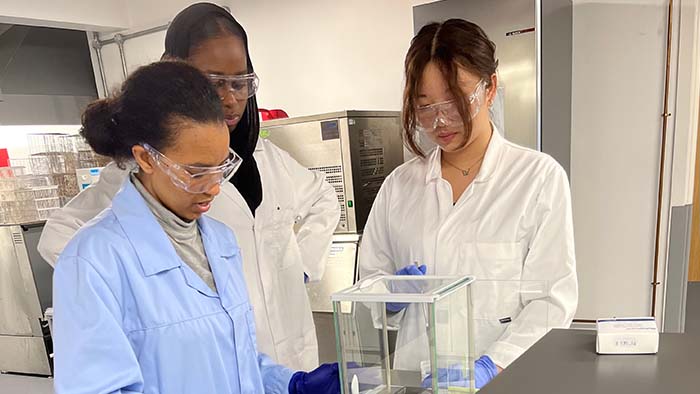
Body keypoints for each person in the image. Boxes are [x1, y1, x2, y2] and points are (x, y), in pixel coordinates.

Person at [39, 2, 340, 371]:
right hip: (207, 360)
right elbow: (60, 236)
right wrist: (155, 299)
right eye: (214, 83)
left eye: (240, 83)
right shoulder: (145, 171)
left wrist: (302, 265)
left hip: (283, 356)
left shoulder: (265, 155)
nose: (230, 99)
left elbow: (324, 197)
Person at [359, 19, 578, 389]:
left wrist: (491, 366)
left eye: (455, 102)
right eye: (424, 107)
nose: (440, 121)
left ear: (490, 88)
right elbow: (370, 285)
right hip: (417, 380)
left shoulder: (537, 179)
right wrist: (391, 298)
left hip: (504, 381)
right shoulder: (399, 187)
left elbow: (552, 302)